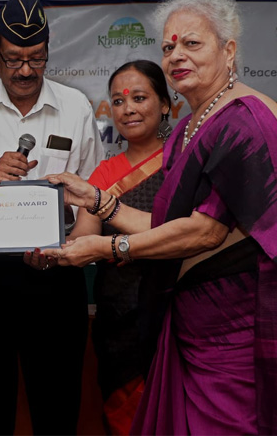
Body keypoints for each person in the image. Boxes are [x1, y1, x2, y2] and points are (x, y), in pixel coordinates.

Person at [44, 0, 277, 435]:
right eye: (168, 46)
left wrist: (109, 247)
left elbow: (205, 232)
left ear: (228, 50)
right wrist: (94, 199)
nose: (176, 55)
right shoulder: (189, 129)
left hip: (237, 324)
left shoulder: (246, 119)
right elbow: (165, 226)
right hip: (191, 317)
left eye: (192, 43)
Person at [0, 0, 105, 435]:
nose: (27, 71)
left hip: (57, 273)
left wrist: (70, 248)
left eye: (36, 58)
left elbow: (93, 195)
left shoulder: (75, 107)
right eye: (14, 59)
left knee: (57, 407)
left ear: (49, 52)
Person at [26, 59, 171, 435]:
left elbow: (181, 233)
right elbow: (81, 239)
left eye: (139, 98)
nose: (128, 109)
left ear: (165, 104)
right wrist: (49, 254)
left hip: (173, 316)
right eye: (118, 101)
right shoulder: (105, 172)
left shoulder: (183, 164)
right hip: (119, 324)